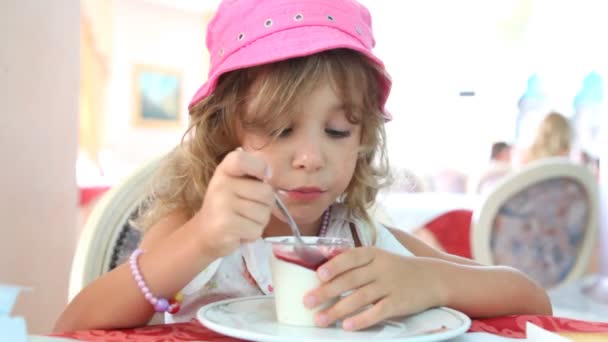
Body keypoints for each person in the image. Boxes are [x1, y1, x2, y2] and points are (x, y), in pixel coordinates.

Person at [54, 0, 551, 333]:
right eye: (278, 129)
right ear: (226, 130)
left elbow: (532, 299)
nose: (311, 157)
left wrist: (429, 279)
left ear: (363, 138)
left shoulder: (359, 239)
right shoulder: (198, 231)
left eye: (338, 130)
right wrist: (202, 238)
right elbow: (70, 327)